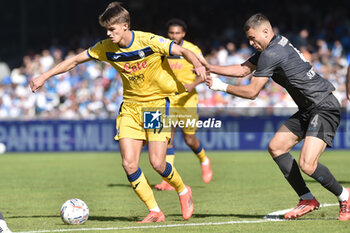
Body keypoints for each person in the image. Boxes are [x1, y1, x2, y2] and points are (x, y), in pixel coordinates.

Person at [30, 2, 207, 223]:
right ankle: (155, 211)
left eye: (112, 29)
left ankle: (183, 190)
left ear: (125, 26)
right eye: (106, 29)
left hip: (155, 106)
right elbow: (75, 60)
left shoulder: (149, 41)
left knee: (157, 163)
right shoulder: (106, 47)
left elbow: (182, 50)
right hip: (130, 108)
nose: (108, 33)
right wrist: (44, 76)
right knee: (129, 164)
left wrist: (197, 64)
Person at [203, 13, 350, 220]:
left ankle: (345, 196)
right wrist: (209, 67)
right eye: (249, 40)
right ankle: (307, 199)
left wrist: (220, 86)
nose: (251, 43)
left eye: (253, 38)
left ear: (266, 31)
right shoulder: (274, 45)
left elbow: (253, 92)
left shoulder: (271, 53)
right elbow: (243, 69)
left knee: (307, 164)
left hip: (324, 106)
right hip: (309, 108)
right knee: (276, 147)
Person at [154, 19, 213, 191]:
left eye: (177, 33)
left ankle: (204, 159)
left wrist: (191, 86)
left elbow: (205, 72)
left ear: (184, 34)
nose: (174, 36)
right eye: (171, 33)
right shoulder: (164, 48)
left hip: (188, 100)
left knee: (189, 139)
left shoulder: (192, 50)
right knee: (168, 139)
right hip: (168, 99)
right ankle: (168, 181)